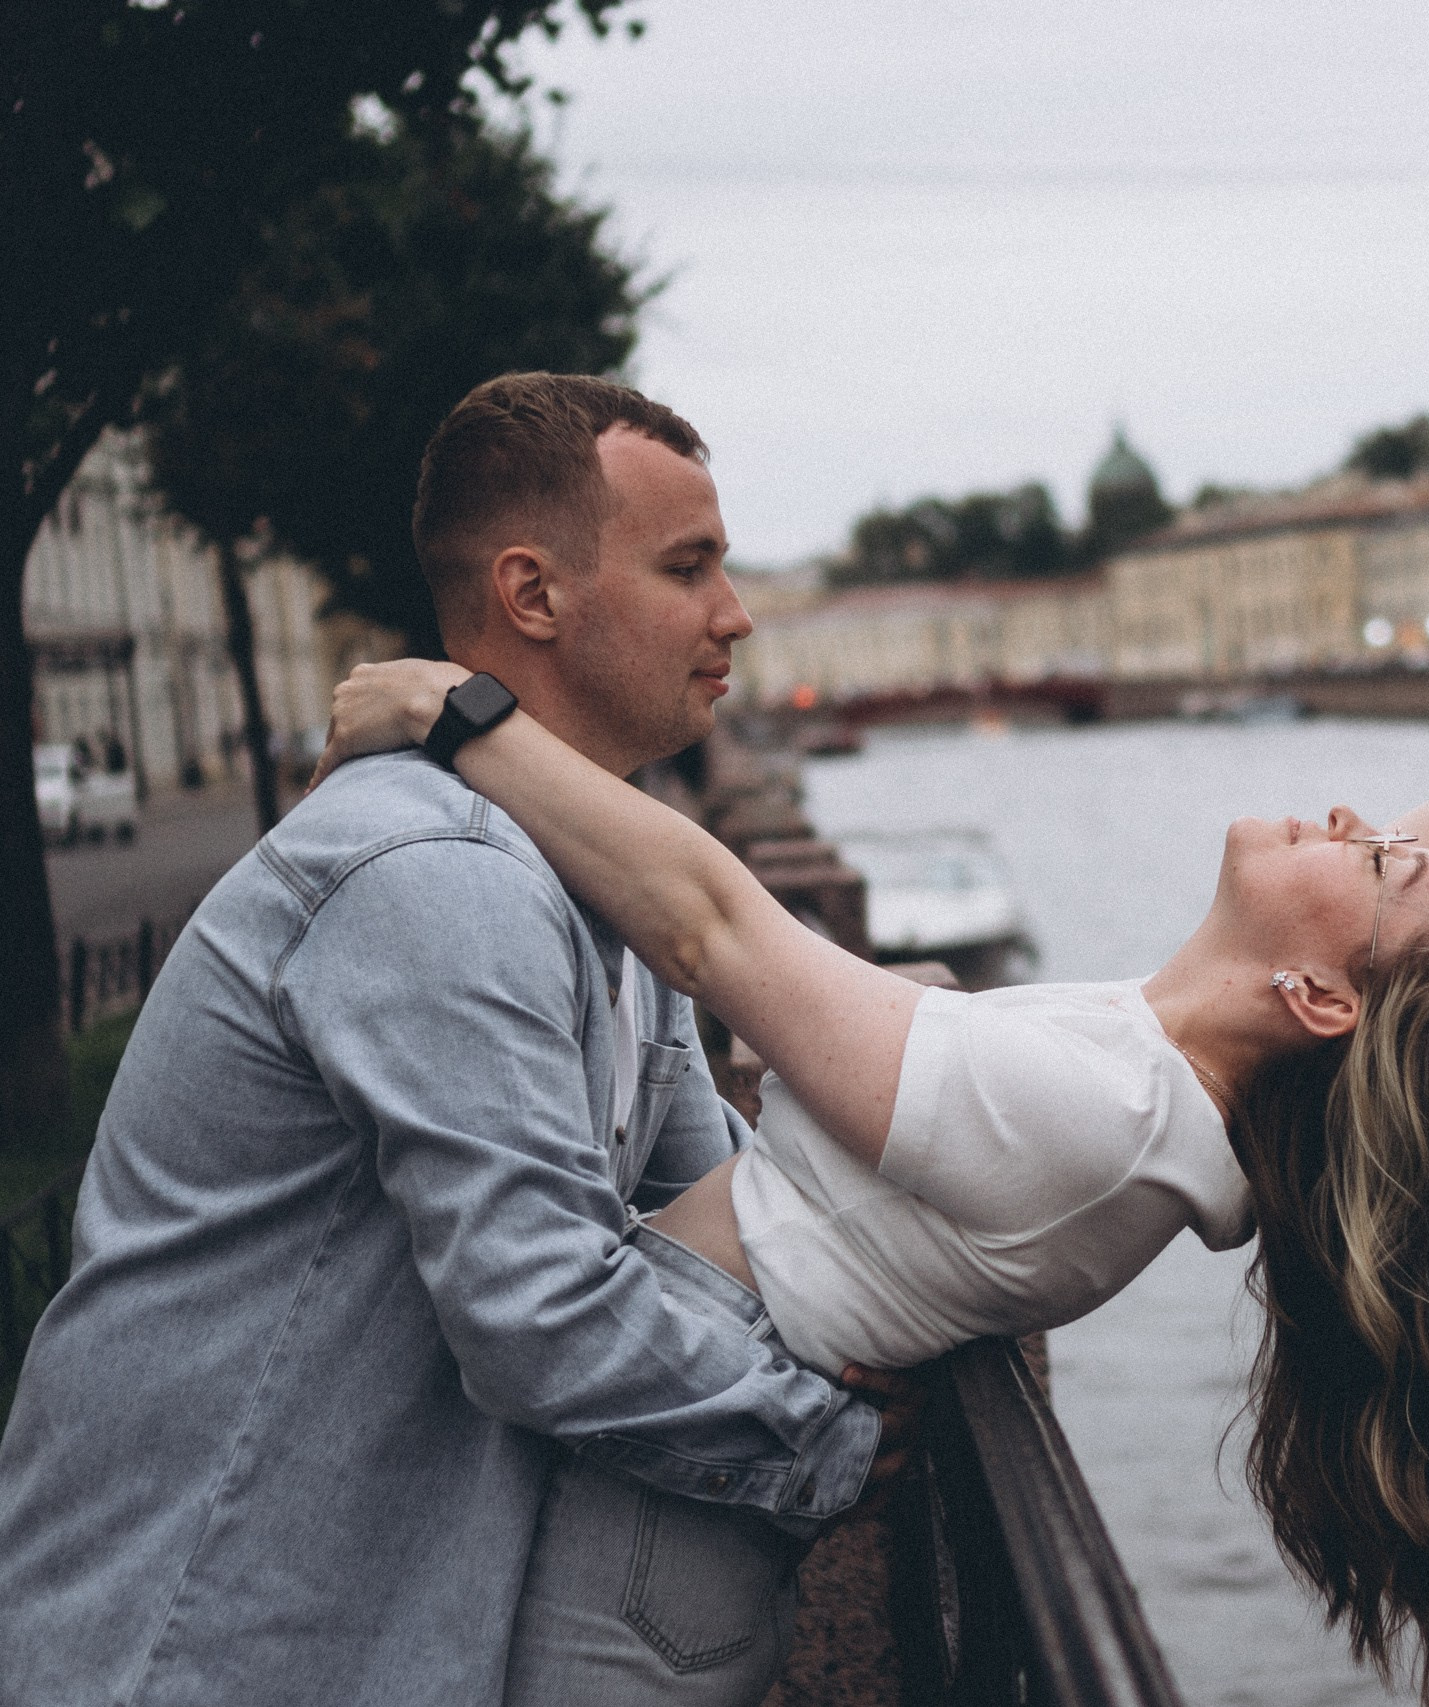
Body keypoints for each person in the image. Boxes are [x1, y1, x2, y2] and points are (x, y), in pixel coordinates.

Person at [320, 649, 1429, 1707]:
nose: (1369, 814)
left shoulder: (1083, 1113)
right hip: (645, 1483)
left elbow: (704, 922)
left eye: (1383, 860)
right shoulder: (1154, 1075)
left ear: (1323, 996)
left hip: (648, 1574)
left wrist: (457, 717)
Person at [0, 374, 901, 1707]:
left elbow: (741, 1219)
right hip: (196, 1646)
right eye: (688, 567)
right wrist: (846, 1442)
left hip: (355, 1628)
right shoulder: (436, 872)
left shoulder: (587, 882)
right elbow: (543, 1318)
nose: (737, 614)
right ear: (533, 595)